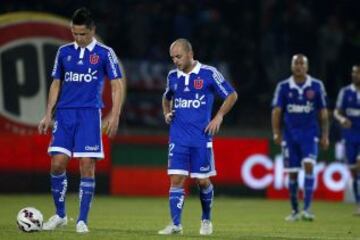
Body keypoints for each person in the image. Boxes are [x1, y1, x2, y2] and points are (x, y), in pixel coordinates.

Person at [38, 7, 124, 233]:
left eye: (83, 34)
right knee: (57, 164)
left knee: (87, 165)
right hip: (65, 114)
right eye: (75, 33)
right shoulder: (64, 52)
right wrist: (48, 113)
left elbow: (117, 85)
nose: (78, 38)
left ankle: (82, 220)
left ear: (93, 30)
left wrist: (115, 115)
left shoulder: (105, 53)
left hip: (89, 115)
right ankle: (60, 215)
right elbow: (56, 83)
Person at [158, 38, 238, 235]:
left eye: (178, 56)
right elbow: (166, 97)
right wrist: (166, 113)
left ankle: (206, 219)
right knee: (176, 179)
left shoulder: (209, 73)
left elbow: (232, 95)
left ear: (190, 54)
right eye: (172, 57)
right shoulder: (172, 77)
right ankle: (176, 224)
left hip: (201, 138)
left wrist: (219, 116)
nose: (175, 61)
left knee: (202, 181)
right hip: (178, 138)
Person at [271, 54, 329, 221]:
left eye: (302, 63)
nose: (298, 66)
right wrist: (276, 132)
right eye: (296, 63)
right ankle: (295, 211)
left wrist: (325, 135)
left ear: (307, 67)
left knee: (309, 166)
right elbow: (276, 111)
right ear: (291, 66)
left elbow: (323, 113)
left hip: (310, 135)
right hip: (289, 136)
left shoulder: (316, 86)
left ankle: (308, 209)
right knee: (293, 174)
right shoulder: (283, 87)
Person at [334, 64, 360, 215]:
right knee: (354, 172)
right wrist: (342, 119)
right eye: (354, 72)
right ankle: (358, 203)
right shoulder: (345, 92)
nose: (355, 75)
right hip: (349, 137)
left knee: (359, 164)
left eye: (358, 73)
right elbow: (336, 112)